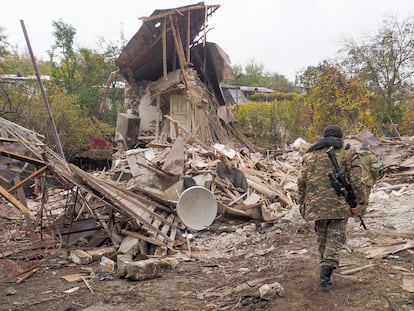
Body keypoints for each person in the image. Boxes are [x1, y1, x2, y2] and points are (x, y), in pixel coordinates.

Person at [297, 125, 366, 292]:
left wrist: (302, 204)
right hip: (338, 205)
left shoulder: (309, 155)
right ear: (340, 138)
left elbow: (301, 182)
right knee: (336, 238)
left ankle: (325, 270)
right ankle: (326, 273)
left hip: (315, 206)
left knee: (323, 237)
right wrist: (360, 203)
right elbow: (357, 180)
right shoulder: (348, 153)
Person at [358, 142, 382, 212]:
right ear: (369, 148)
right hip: (367, 181)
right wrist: (374, 179)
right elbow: (375, 169)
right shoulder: (372, 157)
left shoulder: (355, 156)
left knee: (356, 197)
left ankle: (356, 214)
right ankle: (361, 214)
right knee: (365, 199)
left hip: (355, 180)